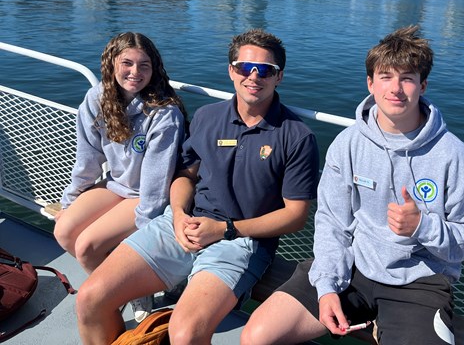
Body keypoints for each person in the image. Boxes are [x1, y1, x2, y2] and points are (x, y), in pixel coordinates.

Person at [241, 25, 464, 345]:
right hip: (353, 268)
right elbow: (333, 221)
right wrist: (328, 286)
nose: (396, 88)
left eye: (407, 78)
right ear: (370, 83)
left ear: (423, 85)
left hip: (419, 282)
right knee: (256, 336)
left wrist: (423, 227)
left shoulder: (451, 154)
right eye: (386, 76)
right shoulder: (348, 144)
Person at [74, 29, 320, 345]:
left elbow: (296, 215)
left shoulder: (296, 137)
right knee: (90, 298)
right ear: (232, 70)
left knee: (185, 332)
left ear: (279, 76)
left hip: (241, 242)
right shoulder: (207, 117)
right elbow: (185, 176)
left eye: (266, 70)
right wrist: (177, 214)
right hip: (183, 224)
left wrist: (225, 229)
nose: (254, 76)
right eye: (245, 67)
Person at [53, 32, 187, 319]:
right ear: (112, 63)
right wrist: (71, 200)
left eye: (144, 65)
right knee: (64, 231)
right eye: (127, 63)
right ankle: (124, 285)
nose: (135, 72)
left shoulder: (164, 112)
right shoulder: (97, 98)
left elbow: (156, 180)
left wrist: (145, 231)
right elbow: (88, 158)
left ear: (155, 69)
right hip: (116, 185)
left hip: (146, 196)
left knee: (87, 247)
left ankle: (131, 292)